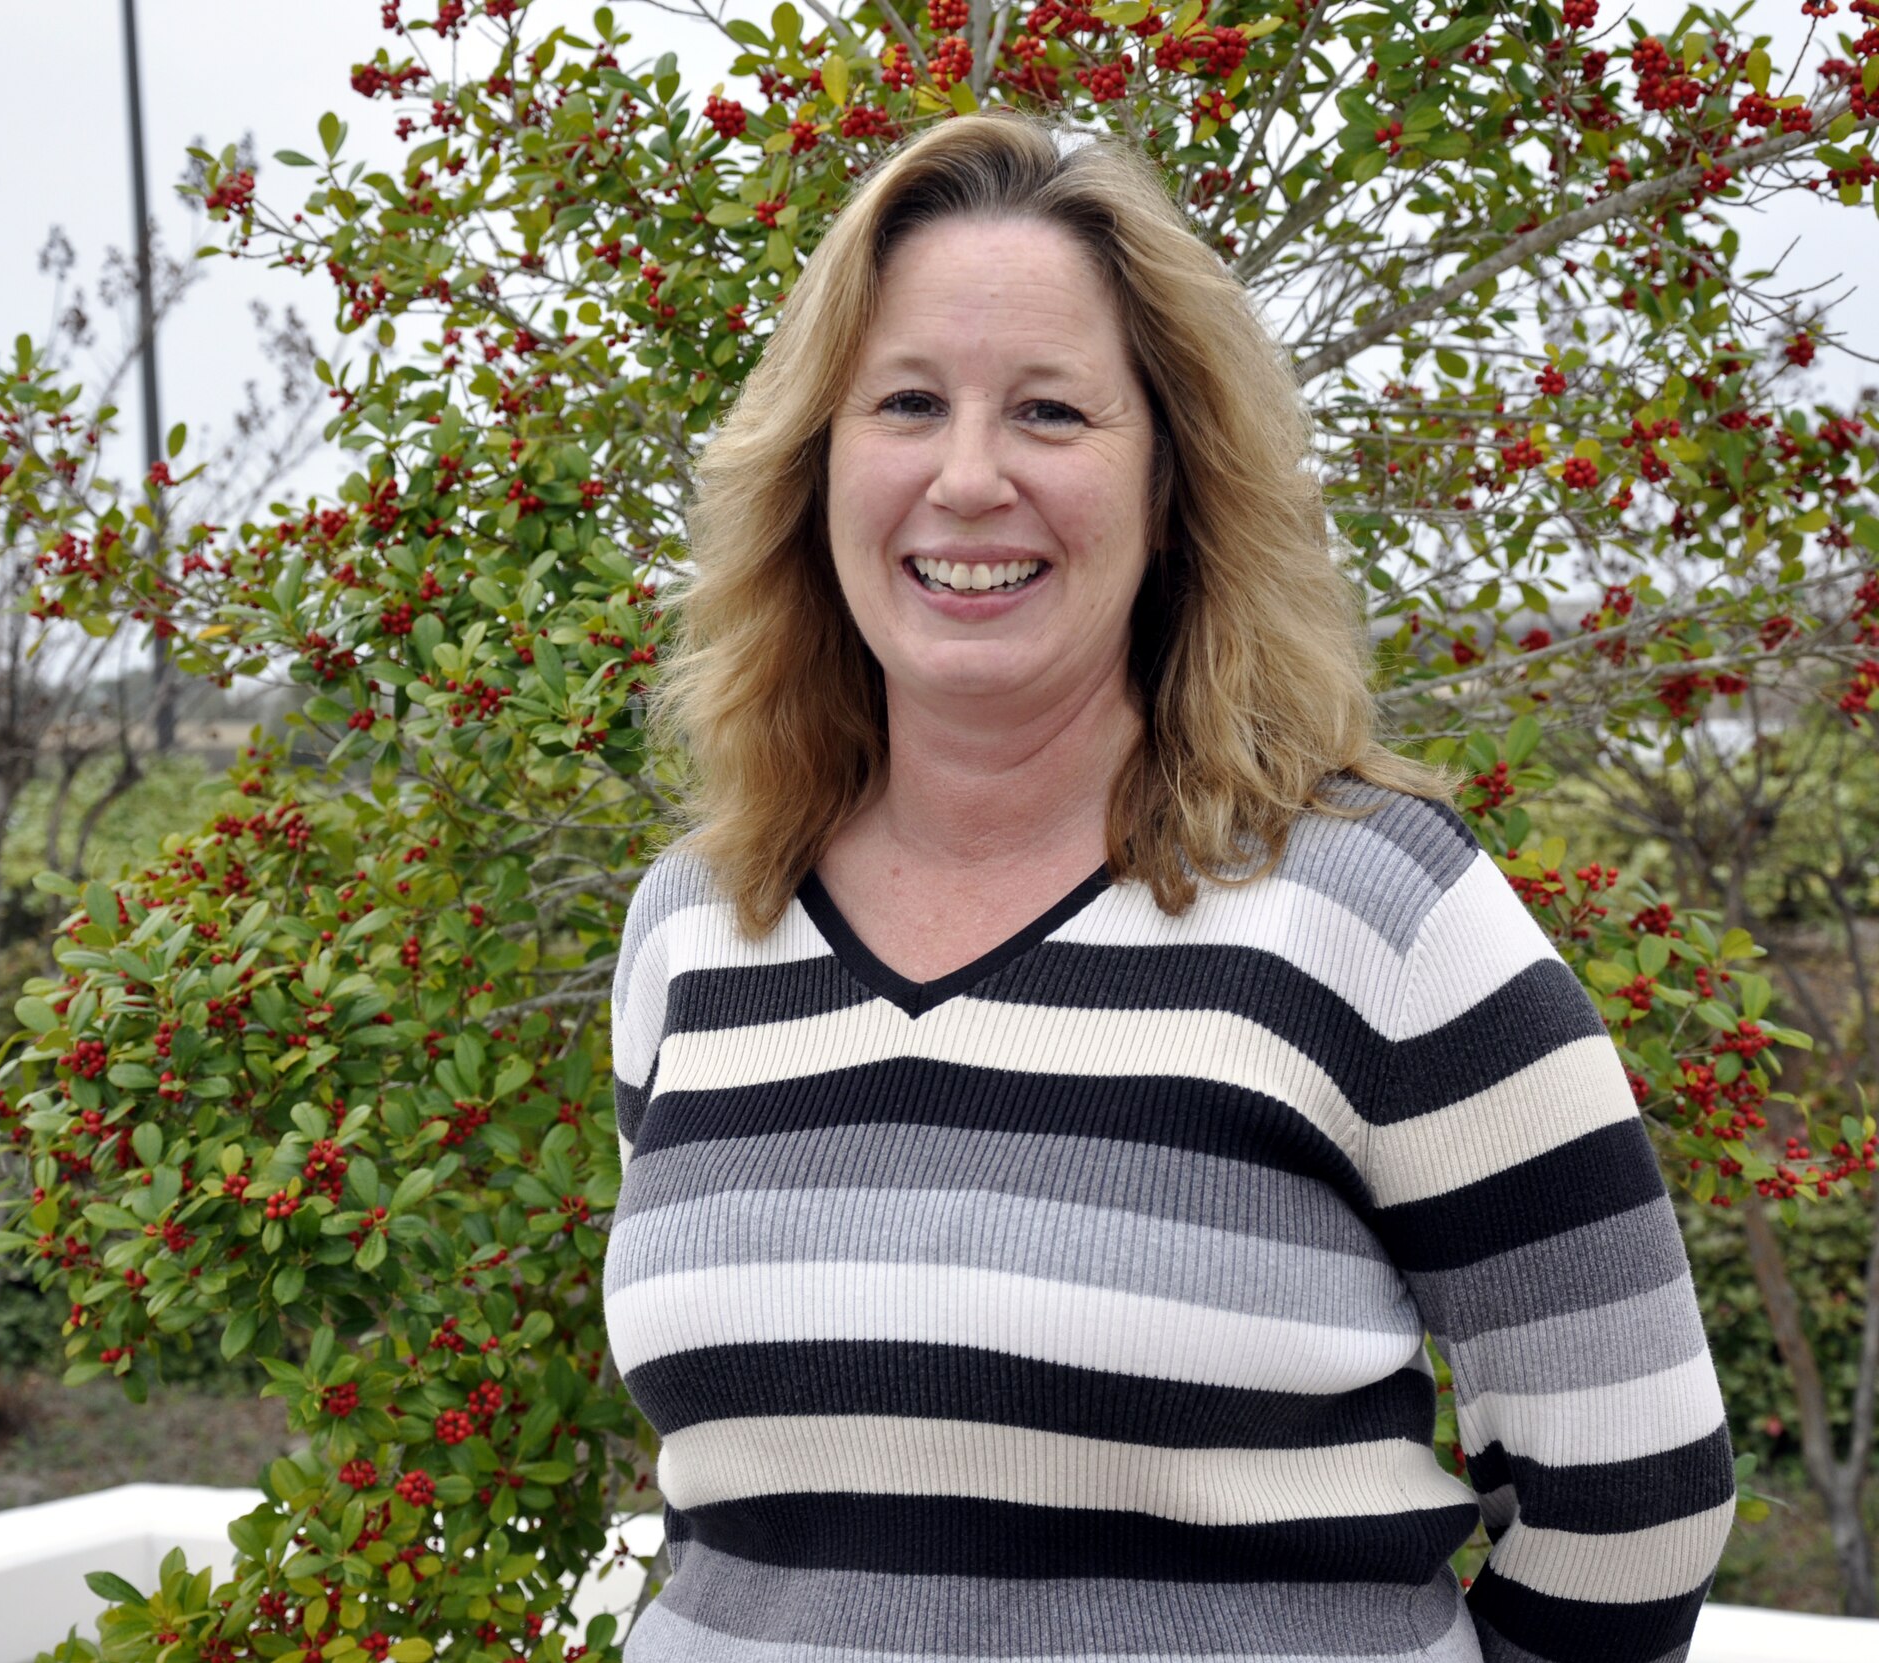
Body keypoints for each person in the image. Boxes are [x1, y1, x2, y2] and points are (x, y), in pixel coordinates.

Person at [600, 109, 1734, 1663]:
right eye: (908, 403)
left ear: (1173, 481)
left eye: (1054, 413)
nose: (971, 477)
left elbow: (1637, 1497)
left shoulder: (1374, 913)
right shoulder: (698, 925)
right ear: (813, 468)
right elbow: (749, 1497)